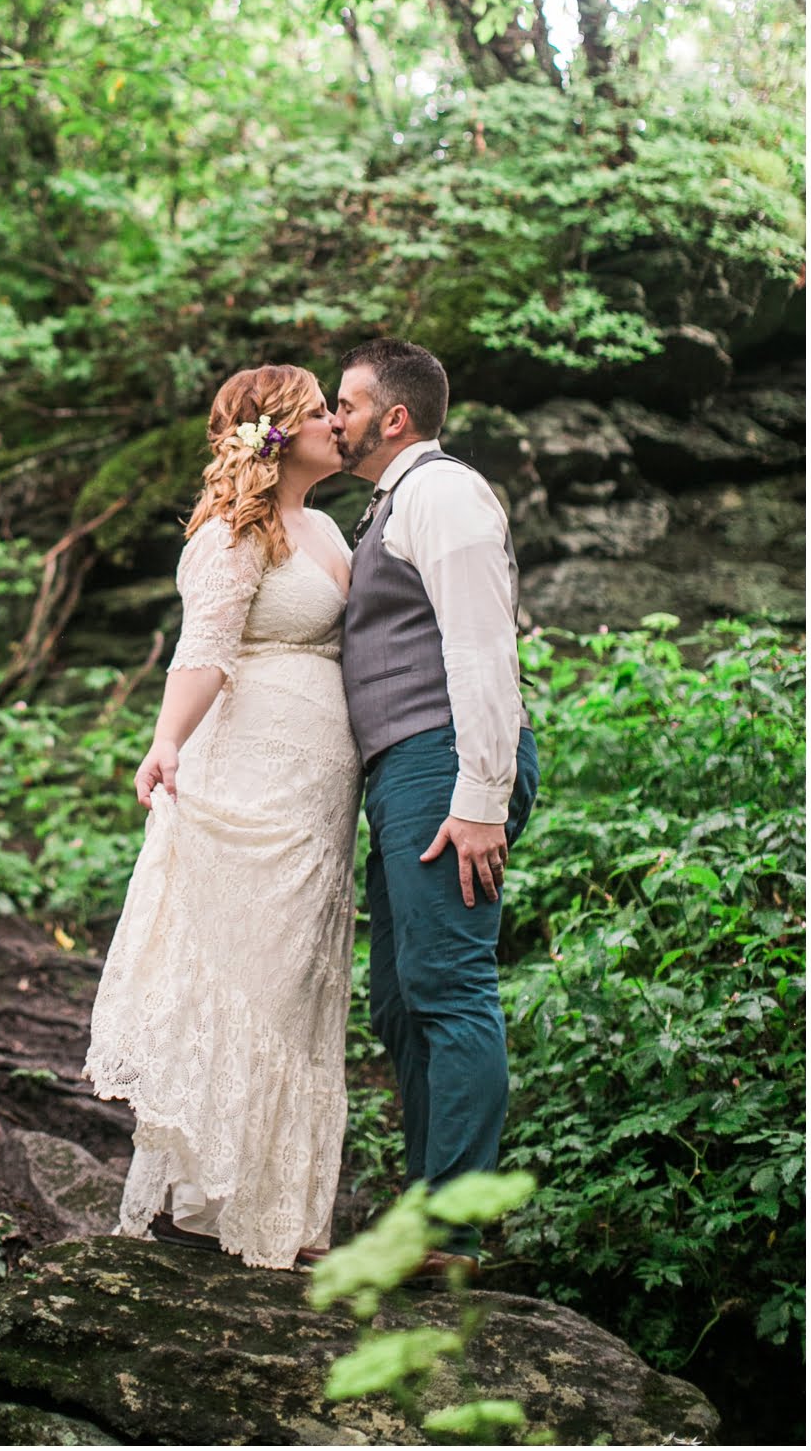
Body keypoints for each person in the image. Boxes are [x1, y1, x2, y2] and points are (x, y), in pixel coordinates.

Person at [84, 363, 360, 1271]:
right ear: (274, 433)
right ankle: (208, 1192)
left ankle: (275, 1207)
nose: (336, 424)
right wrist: (165, 743)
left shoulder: (322, 524)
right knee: (248, 965)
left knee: (298, 980)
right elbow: (203, 646)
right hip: (247, 772)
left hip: (317, 787)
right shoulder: (235, 531)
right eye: (321, 412)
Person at [333, 337, 539, 1284]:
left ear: (396, 417)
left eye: (347, 403)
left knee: (450, 990)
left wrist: (482, 799)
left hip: (447, 763)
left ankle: (452, 1231)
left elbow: (483, 650)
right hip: (406, 773)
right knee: (403, 1001)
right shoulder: (388, 505)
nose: (335, 418)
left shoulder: (442, 493)